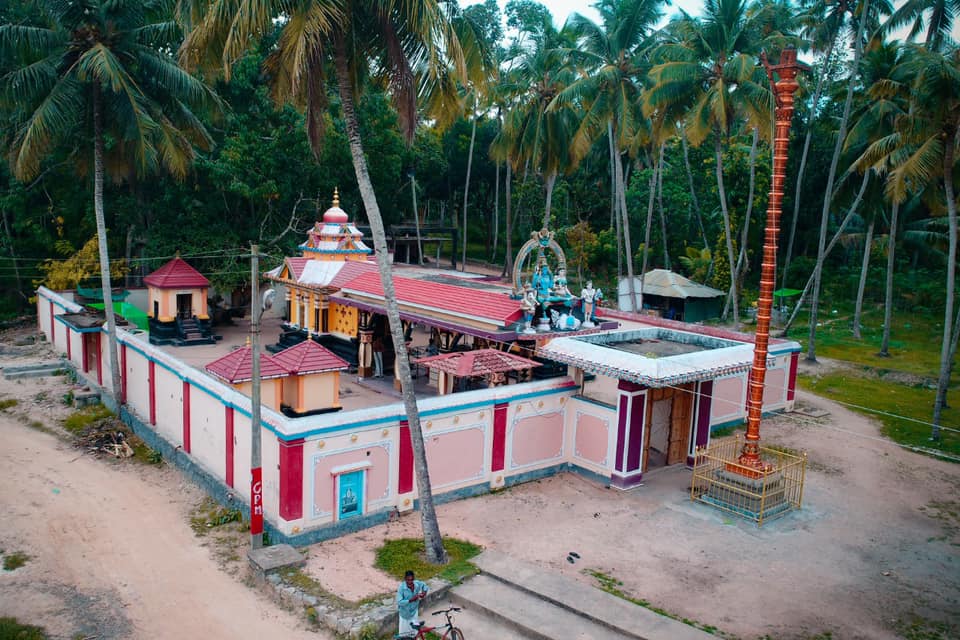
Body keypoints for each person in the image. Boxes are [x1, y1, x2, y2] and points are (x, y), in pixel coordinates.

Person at [396, 570, 429, 637]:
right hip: (405, 614)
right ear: (405, 579)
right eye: (408, 580)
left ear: (413, 579)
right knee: (404, 633)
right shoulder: (401, 588)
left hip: (414, 612)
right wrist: (411, 600)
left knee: (414, 631)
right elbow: (399, 602)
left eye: (412, 580)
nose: (410, 582)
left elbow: (424, 585)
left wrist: (424, 593)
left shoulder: (416, 584)